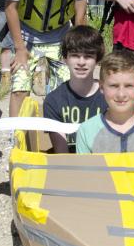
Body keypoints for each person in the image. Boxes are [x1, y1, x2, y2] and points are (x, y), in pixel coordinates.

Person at [76, 49, 134, 154]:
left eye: (129, 86)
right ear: (101, 87)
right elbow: (85, 170)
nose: (121, 94)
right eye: (114, 86)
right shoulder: (86, 131)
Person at [43, 25, 108, 153]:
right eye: (75, 55)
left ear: (98, 59)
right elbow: (62, 153)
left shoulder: (110, 95)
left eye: (88, 56)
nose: (81, 62)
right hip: (69, 167)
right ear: (65, 58)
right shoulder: (53, 101)